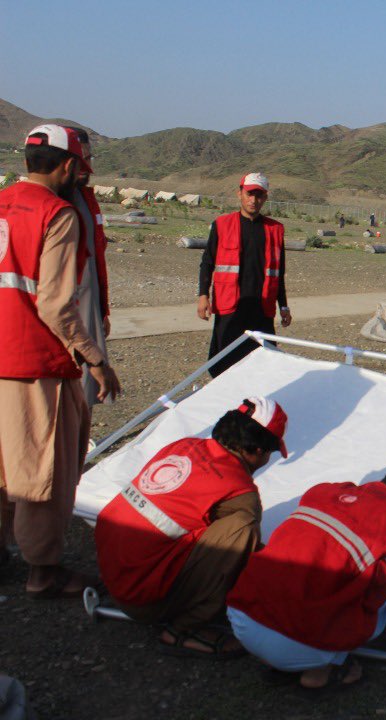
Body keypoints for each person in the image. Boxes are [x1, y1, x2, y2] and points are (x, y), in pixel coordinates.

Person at [0, 124, 121, 597]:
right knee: (42, 469)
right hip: (36, 362)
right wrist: (95, 359)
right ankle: (43, 571)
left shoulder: (2, 202)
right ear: (69, 166)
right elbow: (54, 304)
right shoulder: (58, 214)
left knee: (4, 464)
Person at [227, 457, 386, 691]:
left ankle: (279, 661)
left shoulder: (325, 492)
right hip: (305, 644)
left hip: (242, 620)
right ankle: (320, 671)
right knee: (385, 582)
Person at [94, 397, 288, 657]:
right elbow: (240, 553)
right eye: (270, 454)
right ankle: (184, 629)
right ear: (258, 450)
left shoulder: (183, 446)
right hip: (142, 598)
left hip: (112, 571)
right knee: (242, 531)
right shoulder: (240, 492)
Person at [197, 173, 291, 377]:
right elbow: (207, 262)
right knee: (224, 361)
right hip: (230, 306)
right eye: (249, 194)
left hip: (262, 308)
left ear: (265, 198)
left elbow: (278, 272)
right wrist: (203, 295)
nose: (253, 200)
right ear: (239, 193)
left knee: (262, 361)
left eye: (259, 195)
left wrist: (283, 306)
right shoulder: (222, 225)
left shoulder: (275, 230)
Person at [67, 128, 112, 414]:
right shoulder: (57, 202)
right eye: (80, 158)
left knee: (86, 390)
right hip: (65, 311)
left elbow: (97, 262)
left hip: (88, 305)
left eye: (90, 158)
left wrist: (102, 311)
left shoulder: (87, 199)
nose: (87, 166)